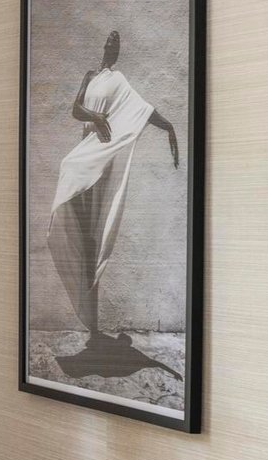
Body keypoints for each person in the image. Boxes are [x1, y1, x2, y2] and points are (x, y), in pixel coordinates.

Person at [45, 29, 180, 374]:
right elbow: (76, 110)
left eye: (117, 43)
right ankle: (88, 306)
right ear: (104, 46)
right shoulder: (91, 75)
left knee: (94, 237)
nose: (113, 45)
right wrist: (97, 117)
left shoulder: (120, 82)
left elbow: (143, 110)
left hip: (103, 160)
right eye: (110, 41)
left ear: (118, 51)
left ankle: (91, 315)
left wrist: (169, 127)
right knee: (69, 172)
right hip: (88, 151)